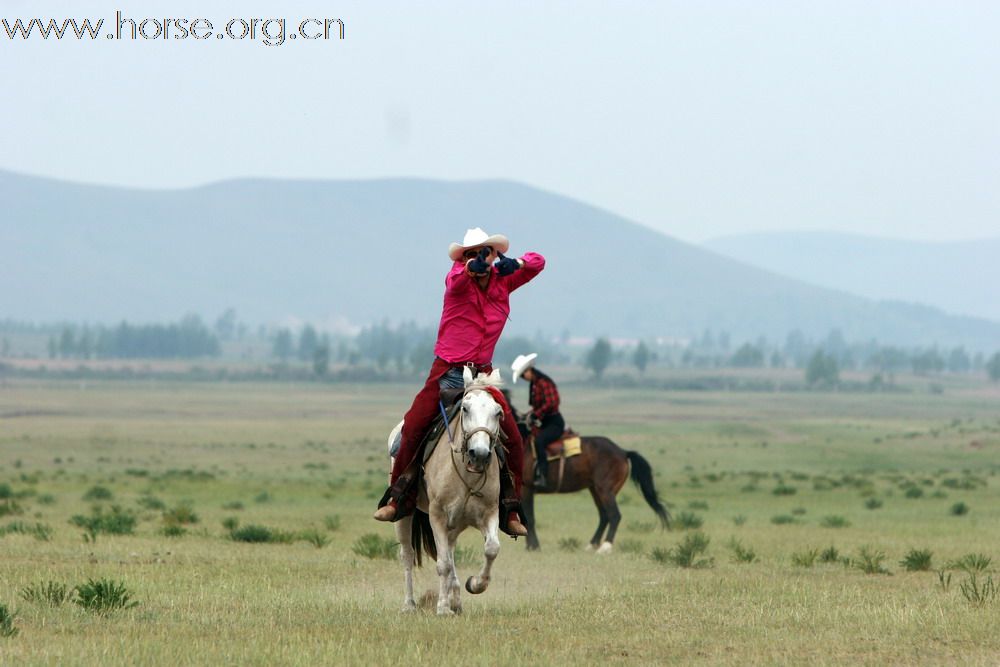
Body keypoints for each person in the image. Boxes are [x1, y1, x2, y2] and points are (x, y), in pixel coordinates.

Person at [374, 227, 545, 537]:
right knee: (413, 428)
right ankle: (399, 498)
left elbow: (539, 262)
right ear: (464, 258)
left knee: (514, 440)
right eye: (471, 253)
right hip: (447, 371)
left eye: (486, 252)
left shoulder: (504, 280)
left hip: (483, 375)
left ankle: (509, 508)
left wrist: (516, 263)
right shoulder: (457, 280)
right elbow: (455, 278)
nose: (479, 257)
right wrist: (472, 267)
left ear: (496, 255)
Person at [511, 353, 565, 491]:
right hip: (544, 422)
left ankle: (543, 475)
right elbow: (537, 407)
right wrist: (527, 415)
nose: (524, 378)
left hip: (554, 423)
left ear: (529, 371)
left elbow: (552, 403)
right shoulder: (535, 384)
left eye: (523, 375)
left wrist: (536, 415)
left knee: (539, 441)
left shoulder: (543, 383)